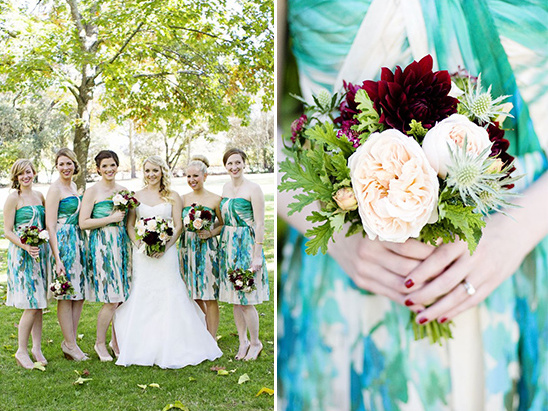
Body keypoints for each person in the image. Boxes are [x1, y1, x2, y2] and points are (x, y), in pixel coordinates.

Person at [278, 1, 548, 410]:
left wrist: (518, 229)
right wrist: (335, 233)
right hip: (350, 281)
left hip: (519, 267)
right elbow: (257, 124)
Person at [114, 155, 222, 368]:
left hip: (168, 252)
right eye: (147, 171)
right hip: (143, 254)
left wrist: (166, 245)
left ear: (162, 171)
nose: (151, 175)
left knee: (170, 292)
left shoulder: (173, 196)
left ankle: (176, 342)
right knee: (144, 293)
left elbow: (179, 225)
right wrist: (140, 245)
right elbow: (130, 226)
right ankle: (141, 344)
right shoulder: (136, 196)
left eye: (155, 170)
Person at [79, 150, 131, 362]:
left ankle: (116, 342)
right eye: (105, 166)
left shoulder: (124, 191)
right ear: (98, 169)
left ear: (117, 166)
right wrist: (110, 218)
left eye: (113, 165)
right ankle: (100, 343)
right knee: (111, 298)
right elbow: (84, 222)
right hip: (102, 245)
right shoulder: (92, 192)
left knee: (122, 298)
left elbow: (128, 222)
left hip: (122, 245)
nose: (109, 170)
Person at [219, 148, 269, 361]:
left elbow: (260, 223)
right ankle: (243, 341)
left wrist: (257, 255)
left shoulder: (253, 188)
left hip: (247, 245)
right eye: (230, 163)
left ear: (244, 163)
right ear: (225, 166)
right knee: (235, 299)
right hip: (228, 246)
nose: (234, 167)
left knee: (246, 299)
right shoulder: (225, 187)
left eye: (237, 162)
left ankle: (256, 343)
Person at [3, 159, 49, 369]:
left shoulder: (40, 196)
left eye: (28, 172)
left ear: (34, 173)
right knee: (31, 304)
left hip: (39, 253)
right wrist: (25, 246)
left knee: (38, 304)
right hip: (22, 254)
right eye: (21, 174)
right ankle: (21, 350)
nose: (25, 176)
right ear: (16, 177)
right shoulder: (14, 198)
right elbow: (8, 231)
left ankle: (36, 348)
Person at [45, 148, 89, 361]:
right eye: (61, 164)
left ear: (75, 165)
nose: (65, 167)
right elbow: (50, 225)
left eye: (69, 163)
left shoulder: (73, 186)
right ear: (57, 166)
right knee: (66, 293)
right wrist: (57, 258)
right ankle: (70, 344)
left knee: (78, 295)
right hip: (63, 243)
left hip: (79, 240)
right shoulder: (54, 190)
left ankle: (70, 342)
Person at [179, 155, 223, 338]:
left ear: (205, 176)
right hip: (186, 249)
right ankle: (200, 333)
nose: (192, 180)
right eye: (188, 176)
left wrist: (211, 233)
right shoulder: (182, 200)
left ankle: (211, 337)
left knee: (209, 295)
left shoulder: (216, 199)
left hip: (208, 250)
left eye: (195, 176)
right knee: (193, 293)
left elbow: (223, 224)